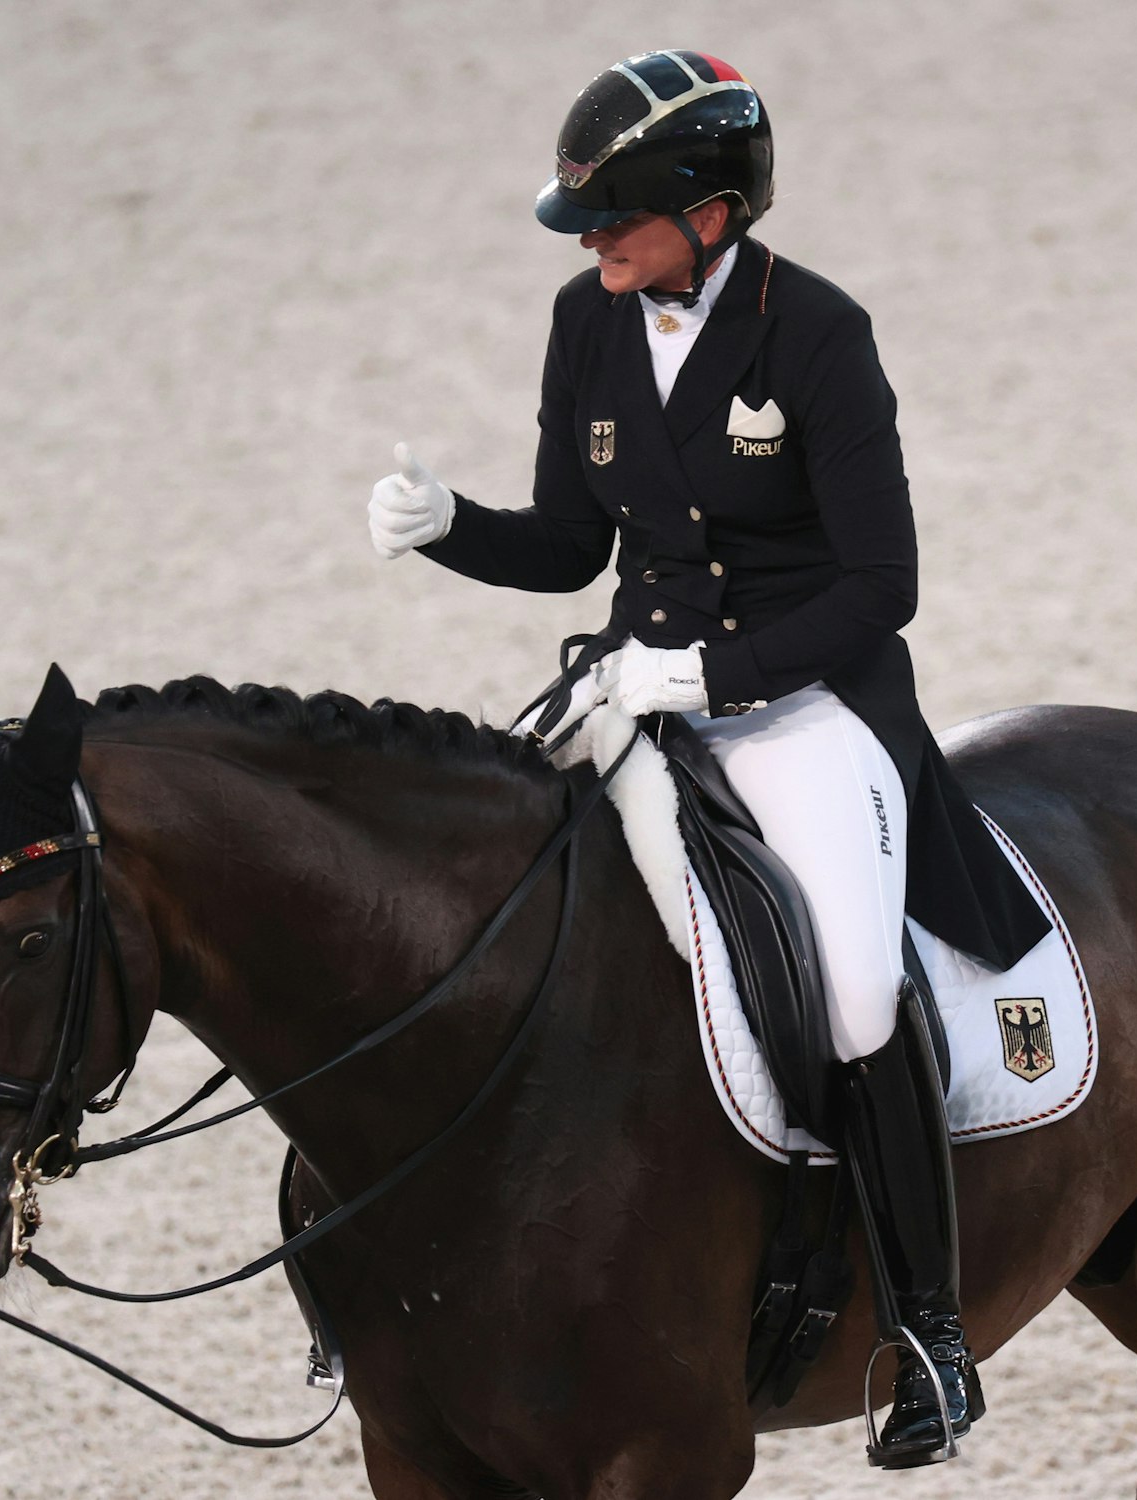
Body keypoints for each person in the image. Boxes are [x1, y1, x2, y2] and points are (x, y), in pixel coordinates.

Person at [367, 49, 1051, 1468]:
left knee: (857, 992)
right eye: (591, 226)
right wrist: (450, 527)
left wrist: (722, 672)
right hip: (638, 691)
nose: (598, 245)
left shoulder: (817, 334)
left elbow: (883, 583)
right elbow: (572, 543)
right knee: (492, 913)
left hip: (806, 707)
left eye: (619, 218)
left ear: (713, 214)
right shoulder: (590, 317)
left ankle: (930, 1329)